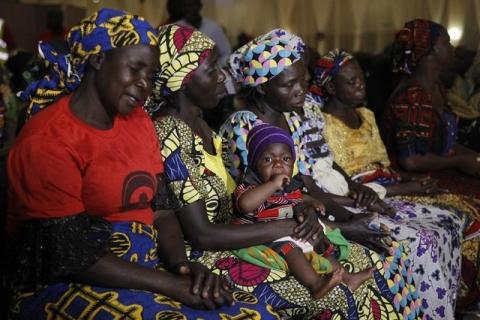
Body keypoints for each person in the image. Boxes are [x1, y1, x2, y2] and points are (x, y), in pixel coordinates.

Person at [6, 9, 279, 319]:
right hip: (64, 283)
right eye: (134, 69)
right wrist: (169, 284)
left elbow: (161, 211)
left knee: (256, 312)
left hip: (144, 267)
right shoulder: (49, 139)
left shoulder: (137, 123)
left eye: (149, 76)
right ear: (98, 60)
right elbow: (70, 255)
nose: (142, 84)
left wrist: (183, 267)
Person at [219, 28, 423, 319]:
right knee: (368, 257)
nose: (301, 90)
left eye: (302, 81)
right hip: (263, 228)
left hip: (298, 219)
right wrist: (334, 224)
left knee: (383, 254)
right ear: (263, 87)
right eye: (289, 85)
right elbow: (253, 198)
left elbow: (305, 185)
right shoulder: (243, 127)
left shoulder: (292, 119)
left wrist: (346, 218)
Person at [311, 47, 479, 319]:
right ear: (330, 86)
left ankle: (457, 299)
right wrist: (404, 187)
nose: (361, 85)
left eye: (361, 79)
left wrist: (413, 180)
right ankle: (438, 306)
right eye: (351, 82)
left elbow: (383, 164)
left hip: (386, 182)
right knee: (439, 229)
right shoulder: (321, 123)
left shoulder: (366, 115)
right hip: (365, 193)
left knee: (460, 212)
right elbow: (343, 180)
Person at [233, 123, 374, 299]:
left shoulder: (288, 186)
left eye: (285, 159)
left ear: (293, 164)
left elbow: (299, 197)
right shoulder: (250, 187)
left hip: (285, 231)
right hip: (260, 237)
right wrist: (272, 184)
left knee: (316, 239)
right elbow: (246, 205)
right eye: (268, 160)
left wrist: (313, 202)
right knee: (290, 248)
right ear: (254, 164)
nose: (278, 165)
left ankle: (348, 277)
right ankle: (316, 285)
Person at [383, 19, 480, 198]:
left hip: (438, 172)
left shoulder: (435, 87)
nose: (452, 47)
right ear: (433, 49)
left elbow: (444, 143)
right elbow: (411, 161)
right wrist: (459, 161)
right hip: (416, 181)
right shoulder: (412, 97)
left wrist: (472, 157)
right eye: (447, 42)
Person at [166, 0, 231, 65]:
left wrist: (217, 65)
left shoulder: (214, 27)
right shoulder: (175, 28)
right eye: (185, 6)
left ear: (200, 6)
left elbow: (226, 53)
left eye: (191, 5)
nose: (188, 9)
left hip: (211, 73)